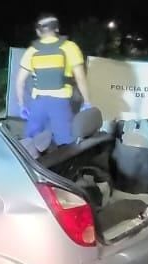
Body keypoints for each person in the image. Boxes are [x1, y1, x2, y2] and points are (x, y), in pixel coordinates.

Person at [15, 14, 91, 158]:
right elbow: (80, 78)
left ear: (38, 32)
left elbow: (19, 81)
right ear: (57, 29)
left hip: (37, 104)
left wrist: (21, 105)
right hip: (60, 104)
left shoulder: (32, 51)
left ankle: (30, 172)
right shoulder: (70, 47)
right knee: (65, 145)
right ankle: (62, 174)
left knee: (29, 142)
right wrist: (87, 102)